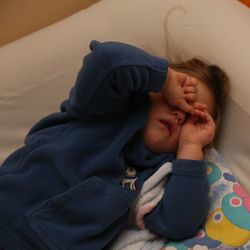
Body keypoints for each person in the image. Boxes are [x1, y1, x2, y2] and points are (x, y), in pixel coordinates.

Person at [0, 40, 229, 250]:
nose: (181, 115)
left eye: (193, 118)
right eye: (180, 99)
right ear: (153, 92)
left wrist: (190, 147)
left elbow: (179, 223)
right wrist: (167, 79)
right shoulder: (101, 110)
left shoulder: (157, 176)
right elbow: (107, 58)